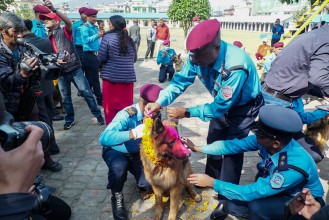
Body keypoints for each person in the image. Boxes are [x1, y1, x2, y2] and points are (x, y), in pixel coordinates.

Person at [144, 19, 264, 219]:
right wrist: (159, 101)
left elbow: (219, 107)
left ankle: (226, 201)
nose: (194, 59)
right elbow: (180, 82)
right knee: (214, 140)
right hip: (220, 104)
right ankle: (210, 180)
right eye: (193, 54)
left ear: (217, 47)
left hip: (243, 108)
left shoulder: (235, 66)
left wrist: (188, 112)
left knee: (233, 150)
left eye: (198, 55)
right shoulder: (197, 56)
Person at [183, 105, 324, 219]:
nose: (255, 134)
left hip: (302, 202)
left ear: (275, 143)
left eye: (259, 133)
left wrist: (212, 182)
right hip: (281, 188)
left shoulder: (290, 168)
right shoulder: (269, 141)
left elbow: (251, 192)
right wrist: (198, 148)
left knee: (257, 208)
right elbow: (231, 146)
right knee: (230, 204)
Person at [0, 12, 61, 172]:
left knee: (38, 128)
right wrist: (22, 75)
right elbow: (5, 81)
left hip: (27, 97)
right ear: (2, 30)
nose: (20, 35)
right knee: (14, 137)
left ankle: (43, 160)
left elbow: (38, 58)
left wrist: (57, 59)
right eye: (16, 31)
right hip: (6, 104)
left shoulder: (20, 45)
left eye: (22, 31)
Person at [100, 83, 162, 220]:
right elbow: (104, 138)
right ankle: (117, 196)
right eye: (157, 108)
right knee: (118, 169)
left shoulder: (154, 115)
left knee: (146, 184)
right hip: (116, 151)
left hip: (136, 153)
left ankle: (129, 176)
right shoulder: (127, 115)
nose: (159, 111)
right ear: (146, 105)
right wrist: (132, 133)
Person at [40, 0, 105, 130]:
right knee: (66, 98)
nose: (45, 21)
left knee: (86, 92)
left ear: (56, 21)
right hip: (61, 72)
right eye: (44, 19)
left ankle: (98, 115)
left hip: (75, 69)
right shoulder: (47, 38)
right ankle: (70, 119)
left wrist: (54, 9)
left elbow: (68, 22)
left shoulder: (64, 31)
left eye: (48, 19)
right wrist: (55, 60)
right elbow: (50, 55)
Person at [262, 25, 329, 108]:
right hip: (277, 100)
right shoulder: (326, 41)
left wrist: (321, 93)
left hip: (272, 94)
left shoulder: (313, 36)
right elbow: (319, 78)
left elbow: (301, 74)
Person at [23, 19, 61, 156]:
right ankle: (53, 144)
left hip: (36, 87)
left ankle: (50, 147)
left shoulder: (24, 45)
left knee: (42, 119)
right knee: (49, 116)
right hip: (48, 85)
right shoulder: (44, 41)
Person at [98, 15, 137, 125]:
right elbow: (134, 59)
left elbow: (101, 57)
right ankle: (126, 127)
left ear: (113, 25)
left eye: (109, 23)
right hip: (127, 79)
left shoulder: (107, 38)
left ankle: (112, 130)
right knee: (126, 107)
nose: (109, 25)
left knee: (110, 108)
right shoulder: (129, 40)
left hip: (111, 79)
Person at [81, 8, 103, 106]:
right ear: (87, 17)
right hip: (89, 55)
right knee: (94, 79)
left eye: (95, 16)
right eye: (93, 17)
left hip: (95, 54)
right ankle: (99, 99)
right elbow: (85, 40)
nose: (95, 18)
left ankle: (87, 96)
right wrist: (97, 36)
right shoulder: (85, 27)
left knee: (90, 78)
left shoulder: (94, 27)